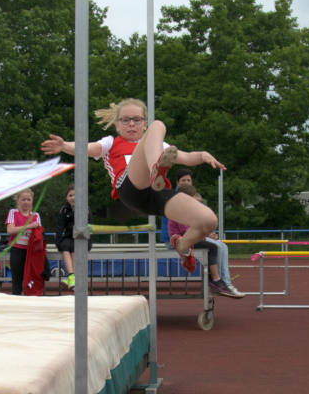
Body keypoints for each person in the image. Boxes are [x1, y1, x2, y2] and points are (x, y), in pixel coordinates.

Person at [41, 98, 226, 273]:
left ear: (143, 123)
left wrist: (202, 155)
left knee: (208, 221)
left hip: (156, 195)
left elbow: (186, 157)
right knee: (159, 125)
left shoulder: (158, 144)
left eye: (137, 120)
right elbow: (88, 148)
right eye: (126, 120)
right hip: (129, 188)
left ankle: (183, 246)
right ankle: (156, 169)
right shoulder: (111, 142)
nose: (131, 124)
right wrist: (64, 145)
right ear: (117, 125)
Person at [167, 185, 234, 297]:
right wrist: (202, 235)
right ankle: (216, 279)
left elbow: (195, 227)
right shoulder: (179, 211)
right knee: (212, 247)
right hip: (181, 241)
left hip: (186, 239)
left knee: (213, 247)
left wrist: (206, 234)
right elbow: (186, 231)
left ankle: (215, 278)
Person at [55, 184, 92, 289]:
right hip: (68, 237)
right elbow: (59, 226)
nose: (73, 198)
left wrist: (89, 242)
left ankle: (72, 278)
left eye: (75, 195)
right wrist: (58, 242)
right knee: (65, 246)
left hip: (81, 237)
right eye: (70, 195)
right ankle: (72, 276)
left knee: (76, 248)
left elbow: (89, 225)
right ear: (66, 198)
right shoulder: (64, 210)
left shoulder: (85, 208)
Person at [5, 188, 41, 295]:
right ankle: (16, 300)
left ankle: (31, 299)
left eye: (28, 199)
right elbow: (10, 230)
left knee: (31, 277)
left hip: (31, 251)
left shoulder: (36, 215)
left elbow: (39, 234)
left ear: (32, 201)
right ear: (18, 201)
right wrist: (29, 226)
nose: (26, 202)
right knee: (17, 279)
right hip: (17, 249)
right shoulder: (13, 213)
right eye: (23, 199)